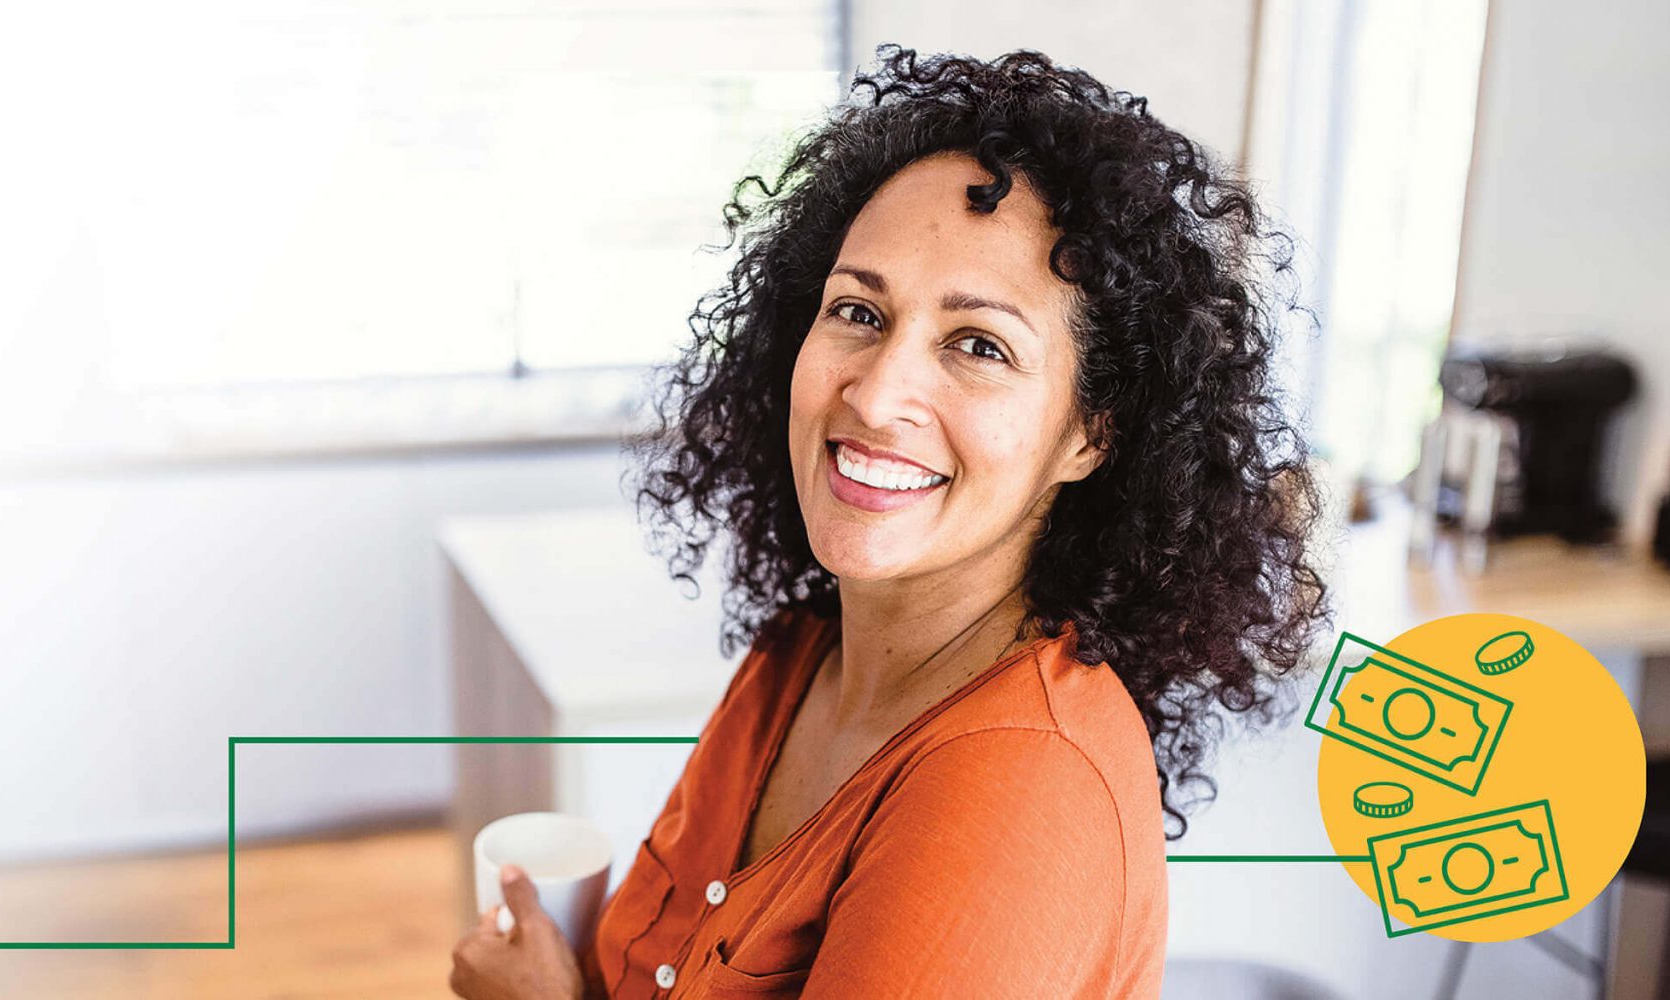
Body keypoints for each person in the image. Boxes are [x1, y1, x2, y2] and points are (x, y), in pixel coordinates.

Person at [449, 46, 1331, 999]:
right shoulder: (801, 655)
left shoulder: (1017, 792)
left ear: (1090, 435)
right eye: (859, 313)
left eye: (979, 344)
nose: (877, 395)